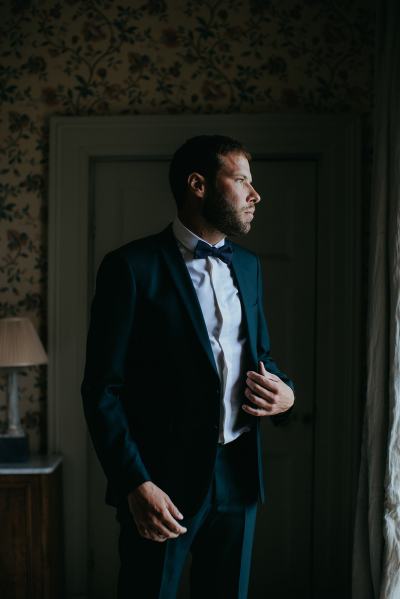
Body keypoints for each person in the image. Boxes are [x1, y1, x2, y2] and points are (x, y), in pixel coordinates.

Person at [81, 134, 295, 598]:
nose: (255, 195)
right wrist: (135, 484)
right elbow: (102, 390)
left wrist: (287, 393)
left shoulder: (251, 266)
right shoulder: (130, 268)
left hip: (238, 480)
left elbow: (261, 358)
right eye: (241, 180)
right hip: (160, 487)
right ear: (198, 185)